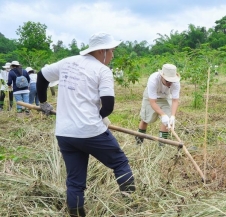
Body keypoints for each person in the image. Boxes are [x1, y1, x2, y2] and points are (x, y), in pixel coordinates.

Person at [36, 32, 135, 217]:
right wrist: (101, 117)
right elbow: (108, 105)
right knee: (120, 162)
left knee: (75, 182)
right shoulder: (102, 70)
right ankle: (133, 205)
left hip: (65, 134)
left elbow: (41, 77)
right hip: (91, 131)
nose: (112, 56)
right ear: (102, 51)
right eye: (111, 51)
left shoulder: (67, 62)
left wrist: (43, 102)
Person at [135, 63, 181, 146]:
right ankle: (139, 142)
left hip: (165, 97)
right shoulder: (153, 79)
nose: (170, 84)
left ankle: (161, 146)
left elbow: (175, 100)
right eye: (167, 81)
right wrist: (163, 115)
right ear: (162, 77)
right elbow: (152, 102)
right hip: (151, 97)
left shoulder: (176, 82)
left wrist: (172, 116)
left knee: (167, 121)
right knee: (146, 119)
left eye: (172, 81)